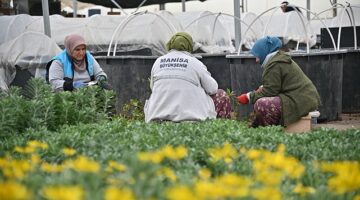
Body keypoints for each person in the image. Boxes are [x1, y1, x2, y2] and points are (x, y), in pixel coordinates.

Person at [144, 32, 233, 122]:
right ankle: (219, 130)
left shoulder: (158, 62)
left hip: (156, 116)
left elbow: (152, 87)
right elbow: (212, 89)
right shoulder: (195, 63)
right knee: (221, 95)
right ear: (189, 46)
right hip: (190, 117)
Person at [237, 36, 321, 127]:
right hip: (306, 98)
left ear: (264, 53)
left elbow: (270, 92)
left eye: (257, 56)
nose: (256, 60)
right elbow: (275, 85)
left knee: (262, 104)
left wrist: (248, 97)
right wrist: (262, 88)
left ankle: (270, 131)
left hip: (300, 100)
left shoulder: (274, 65)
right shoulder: (279, 59)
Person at [47, 34, 112, 92]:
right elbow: (54, 82)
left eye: (83, 49)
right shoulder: (59, 61)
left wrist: (101, 79)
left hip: (88, 93)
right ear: (70, 49)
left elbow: (99, 73)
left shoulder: (88, 57)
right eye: (77, 50)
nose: (81, 53)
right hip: (67, 98)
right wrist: (72, 85)